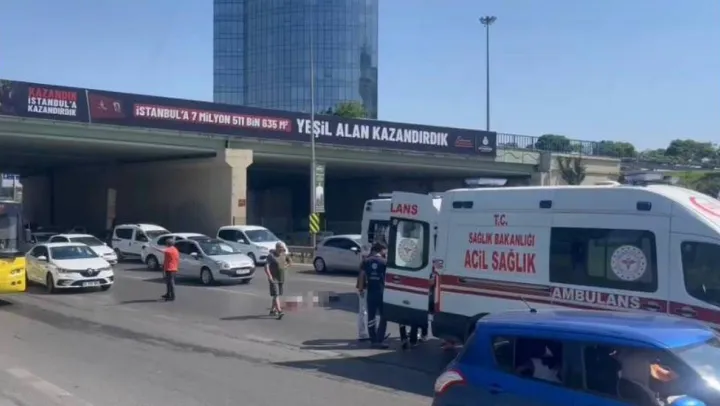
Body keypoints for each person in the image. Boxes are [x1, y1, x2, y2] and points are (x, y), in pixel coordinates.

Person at [358, 242, 388, 349]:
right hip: (382, 292)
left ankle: (373, 339)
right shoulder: (384, 262)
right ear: (381, 250)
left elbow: (361, 275)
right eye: (385, 250)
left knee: (371, 316)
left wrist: (361, 289)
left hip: (371, 292)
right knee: (384, 316)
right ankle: (380, 338)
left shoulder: (366, 261)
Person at [265, 242, 291, 320]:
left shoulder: (284, 254)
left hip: (281, 278)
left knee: (277, 295)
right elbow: (266, 267)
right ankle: (279, 311)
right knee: (276, 294)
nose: (282, 249)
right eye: (280, 247)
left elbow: (290, 262)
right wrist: (269, 276)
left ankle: (272, 310)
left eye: (282, 247)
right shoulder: (271, 256)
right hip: (273, 278)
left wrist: (285, 266)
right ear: (276, 248)